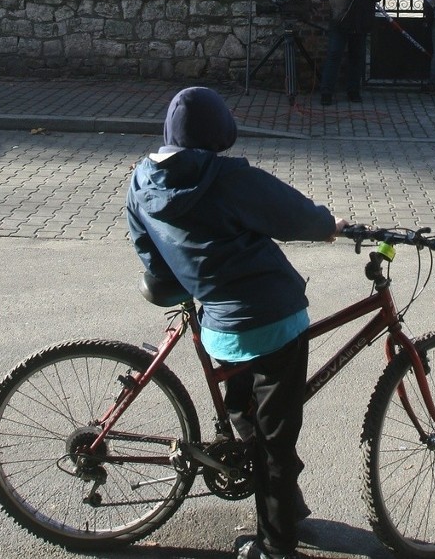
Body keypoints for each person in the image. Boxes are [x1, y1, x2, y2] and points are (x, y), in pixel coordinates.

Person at [127, 86, 345, 559]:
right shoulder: (227, 177)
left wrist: (190, 281)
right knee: (276, 441)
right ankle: (278, 547)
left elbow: (150, 256)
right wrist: (329, 225)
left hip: (218, 327)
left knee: (245, 411)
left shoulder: (141, 182)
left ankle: (288, 503)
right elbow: (296, 216)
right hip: (272, 320)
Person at [319, 0, 385, 104]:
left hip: (361, 21)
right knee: (334, 55)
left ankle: (353, 91)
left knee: (357, 58)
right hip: (341, 19)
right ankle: (326, 92)